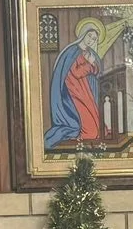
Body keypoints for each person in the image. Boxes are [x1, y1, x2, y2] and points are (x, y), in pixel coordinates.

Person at [46, 19, 108, 149]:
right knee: (90, 131)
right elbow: (76, 73)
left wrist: (91, 64)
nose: (91, 40)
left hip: (84, 91)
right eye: (89, 36)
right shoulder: (71, 51)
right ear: (83, 34)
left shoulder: (90, 54)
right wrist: (89, 64)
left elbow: (96, 69)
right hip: (72, 93)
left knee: (98, 127)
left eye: (94, 39)